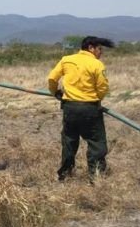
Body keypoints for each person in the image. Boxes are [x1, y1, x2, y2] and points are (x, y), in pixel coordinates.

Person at [47, 36, 115, 181]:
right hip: (89, 108)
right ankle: (95, 176)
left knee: (69, 140)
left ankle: (65, 174)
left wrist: (56, 92)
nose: (100, 52)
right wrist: (96, 99)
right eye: (99, 49)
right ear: (91, 48)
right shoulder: (97, 64)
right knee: (96, 142)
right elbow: (103, 88)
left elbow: (52, 79)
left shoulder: (66, 60)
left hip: (69, 108)